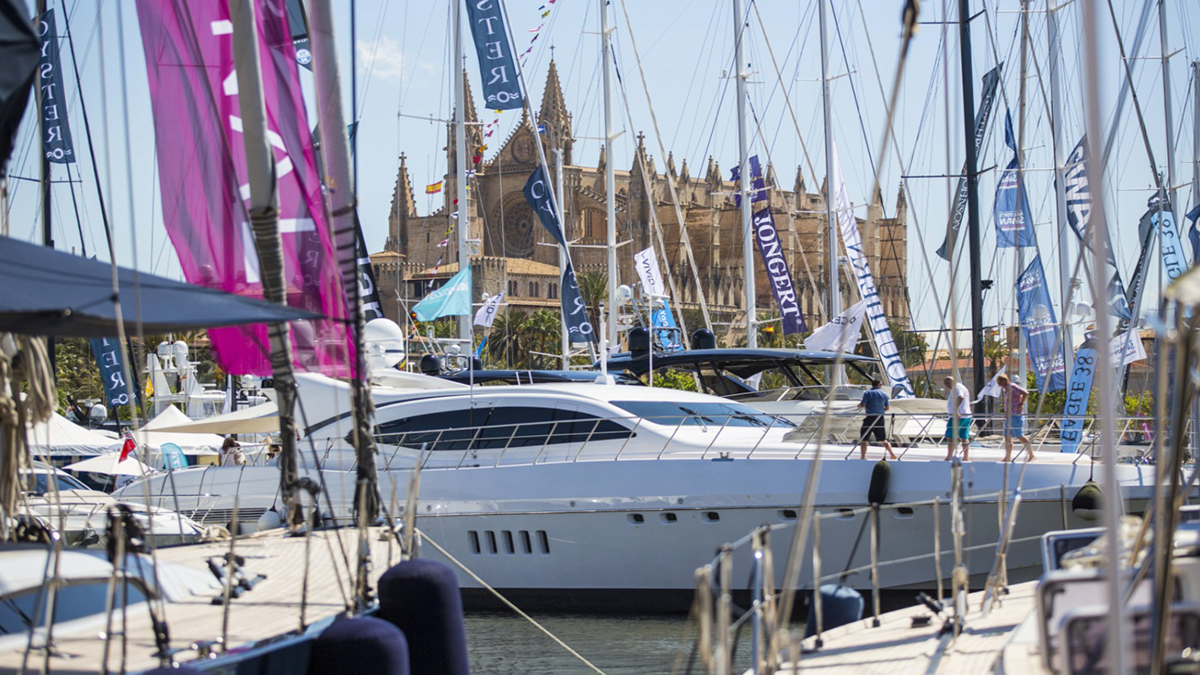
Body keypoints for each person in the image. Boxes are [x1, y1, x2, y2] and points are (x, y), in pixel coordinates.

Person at [996, 374, 1034, 462]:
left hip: (1015, 415)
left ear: (1004, 381)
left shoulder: (1012, 386)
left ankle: (1031, 455)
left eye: (1000, 383)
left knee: (1019, 436)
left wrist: (1021, 403)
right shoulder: (1006, 389)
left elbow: (1025, 393)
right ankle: (1007, 457)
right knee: (1007, 436)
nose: (999, 385)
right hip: (1008, 415)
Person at [857, 378, 897, 460]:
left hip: (870, 417)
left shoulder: (867, 393)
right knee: (882, 439)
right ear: (879, 385)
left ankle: (863, 457)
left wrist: (859, 406)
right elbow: (887, 408)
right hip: (880, 418)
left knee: (864, 438)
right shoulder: (884, 394)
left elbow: (863, 404)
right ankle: (892, 454)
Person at [943, 377, 972, 461]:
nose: (946, 387)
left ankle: (949, 456)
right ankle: (966, 457)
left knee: (950, 436)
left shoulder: (956, 387)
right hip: (966, 416)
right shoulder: (961, 386)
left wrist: (955, 409)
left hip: (958, 417)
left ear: (949, 382)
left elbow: (960, 397)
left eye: (946, 384)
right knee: (964, 436)